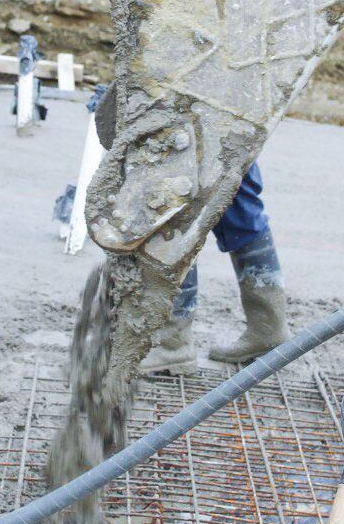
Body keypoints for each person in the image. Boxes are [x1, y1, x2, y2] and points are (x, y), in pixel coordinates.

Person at [91, 84, 289, 373]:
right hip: (235, 94)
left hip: (191, 90)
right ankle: (268, 326)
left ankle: (173, 342)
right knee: (236, 192)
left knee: (172, 202)